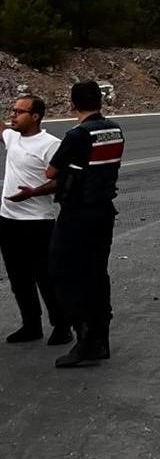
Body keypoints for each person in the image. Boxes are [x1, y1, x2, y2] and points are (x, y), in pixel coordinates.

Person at [8, 82, 123, 367]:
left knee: (64, 274)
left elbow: (51, 171)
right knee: (97, 275)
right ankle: (100, 339)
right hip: (103, 211)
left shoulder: (77, 134)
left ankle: (84, 339)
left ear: (72, 104)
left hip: (78, 214)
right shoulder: (114, 130)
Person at [0, 93, 68, 346]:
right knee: (18, 278)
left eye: (19, 112)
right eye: (13, 110)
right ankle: (31, 325)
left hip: (38, 222)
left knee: (46, 277)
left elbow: (62, 180)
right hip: (8, 220)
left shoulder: (50, 145)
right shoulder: (12, 137)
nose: (13, 115)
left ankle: (62, 326)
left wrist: (33, 193)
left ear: (36, 116)